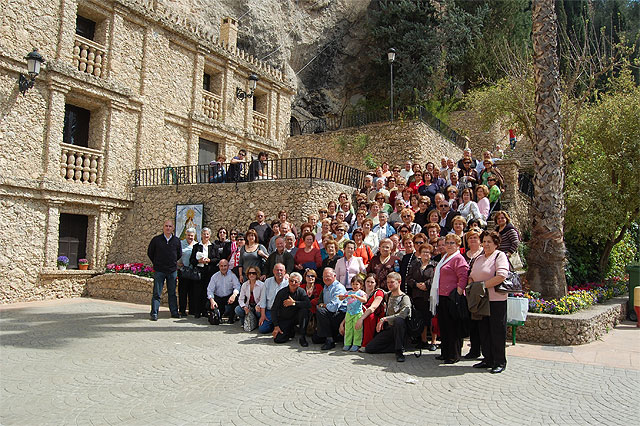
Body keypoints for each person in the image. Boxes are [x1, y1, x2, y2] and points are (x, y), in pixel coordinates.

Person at [468, 231, 509, 374]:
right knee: (484, 330)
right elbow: (472, 275)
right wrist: (471, 285)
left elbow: (502, 275)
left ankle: (499, 361)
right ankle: (487, 359)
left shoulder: (499, 256)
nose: (486, 244)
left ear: (496, 244)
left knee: (497, 331)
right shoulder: (479, 258)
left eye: (489, 242)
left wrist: (483, 285)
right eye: (484, 241)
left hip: (496, 300)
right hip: (481, 300)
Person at [430, 234, 469, 364]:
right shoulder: (445, 258)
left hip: (452, 297)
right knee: (444, 326)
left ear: (458, 245)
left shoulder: (458, 258)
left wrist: (457, 293)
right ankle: (445, 353)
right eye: (447, 243)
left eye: (452, 243)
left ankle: (454, 354)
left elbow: (463, 276)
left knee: (453, 327)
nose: (449, 245)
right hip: (442, 296)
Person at [365, 272, 411, 362]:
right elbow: (377, 293)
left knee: (399, 321)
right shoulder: (388, 295)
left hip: (400, 329)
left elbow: (404, 314)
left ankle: (399, 351)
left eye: (392, 282)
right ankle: (396, 346)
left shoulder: (404, 298)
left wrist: (385, 319)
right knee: (370, 348)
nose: (389, 284)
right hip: (389, 329)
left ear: (399, 282)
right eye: (388, 282)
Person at [147, 220, 182, 321]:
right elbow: (150, 253)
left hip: (172, 271)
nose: (168, 228)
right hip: (159, 270)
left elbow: (178, 254)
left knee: (172, 293)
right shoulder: (156, 240)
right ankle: (154, 313)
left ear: (173, 228)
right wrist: (157, 263)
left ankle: (174, 312)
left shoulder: (176, 241)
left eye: (170, 226)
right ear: (163, 227)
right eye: (166, 226)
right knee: (157, 293)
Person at [407, 243, 437, 350]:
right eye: (423, 252)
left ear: (431, 254)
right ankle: (423, 341)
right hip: (418, 296)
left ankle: (433, 342)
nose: (425, 254)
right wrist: (416, 284)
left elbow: (436, 278)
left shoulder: (434, 265)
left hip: (430, 296)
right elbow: (409, 278)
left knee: (431, 319)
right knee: (421, 319)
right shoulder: (415, 264)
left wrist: (426, 285)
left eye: (428, 252)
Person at [271, 272, 311, 346]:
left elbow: (308, 304)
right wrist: (276, 326)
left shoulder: (301, 291)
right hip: (285, 318)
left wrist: (294, 303)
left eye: (296, 281)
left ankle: (302, 336)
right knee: (278, 339)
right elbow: (274, 309)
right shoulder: (281, 292)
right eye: (291, 281)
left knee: (304, 311)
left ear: (299, 283)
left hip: (297, 318)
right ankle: (291, 331)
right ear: (288, 281)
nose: (293, 283)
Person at [463, 229, 484, 359]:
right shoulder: (465, 254)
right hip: (467, 292)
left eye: (475, 238)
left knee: (480, 322)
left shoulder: (482, 255)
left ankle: (482, 348)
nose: (472, 240)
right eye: (470, 238)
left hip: (480, 292)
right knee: (471, 322)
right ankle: (474, 349)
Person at [189, 227, 219, 318]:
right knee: (198, 291)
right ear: (201, 235)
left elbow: (217, 259)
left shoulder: (214, 247)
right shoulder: (196, 246)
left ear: (209, 235)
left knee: (208, 291)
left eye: (207, 234)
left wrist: (209, 260)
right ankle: (197, 311)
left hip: (209, 272)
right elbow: (192, 260)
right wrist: (199, 261)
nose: (206, 236)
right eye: (204, 234)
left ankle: (206, 311)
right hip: (199, 271)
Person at [315, 268, 347, 350]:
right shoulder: (325, 287)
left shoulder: (338, 287)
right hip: (330, 314)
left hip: (340, 315)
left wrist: (324, 305)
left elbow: (333, 308)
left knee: (320, 310)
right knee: (315, 339)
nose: (326, 278)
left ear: (335, 276)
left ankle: (330, 339)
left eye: (328, 276)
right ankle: (333, 335)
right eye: (324, 276)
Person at [207, 259, 241, 324]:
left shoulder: (232, 275)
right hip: (218, 297)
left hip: (229, 297)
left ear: (228, 266)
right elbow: (210, 290)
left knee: (237, 298)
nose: (223, 268)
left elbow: (237, 286)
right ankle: (216, 316)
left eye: (225, 266)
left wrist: (234, 295)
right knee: (208, 304)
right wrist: (212, 300)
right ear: (219, 267)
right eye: (221, 266)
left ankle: (232, 318)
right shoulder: (214, 276)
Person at [338, 275, 367, 351]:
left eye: (357, 284)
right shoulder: (349, 292)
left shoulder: (361, 293)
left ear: (360, 285)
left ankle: (356, 344)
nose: (355, 286)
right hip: (349, 313)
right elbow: (342, 298)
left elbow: (364, 300)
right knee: (348, 329)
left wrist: (357, 297)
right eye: (353, 284)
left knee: (357, 329)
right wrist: (341, 296)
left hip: (358, 313)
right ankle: (347, 343)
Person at [258, 263, 289, 333]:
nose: (279, 272)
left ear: (285, 272)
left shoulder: (288, 283)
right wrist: (263, 315)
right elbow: (263, 299)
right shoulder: (268, 281)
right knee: (262, 329)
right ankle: (273, 325)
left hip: (282, 312)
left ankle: (275, 325)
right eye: (277, 270)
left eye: (281, 270)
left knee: (284, 330)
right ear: (273, 271)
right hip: (270, 311)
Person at [177, 227, 197, 317]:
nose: (190, 237)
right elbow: (177, 255)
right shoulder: (181, 244)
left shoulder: (196, 245)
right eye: (188, 235)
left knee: (192, 291)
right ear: (186, 235)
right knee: (183, 291)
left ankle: (192, 309)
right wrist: (178, 263)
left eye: (192, 235)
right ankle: (182, 309)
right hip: (183, 270)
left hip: (193, 271)